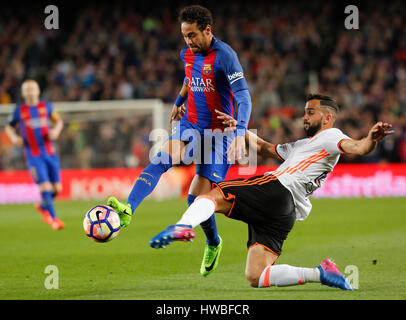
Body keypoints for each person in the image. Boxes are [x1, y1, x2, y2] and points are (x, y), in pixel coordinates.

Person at [150, 94, 394, 290]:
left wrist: (371, 139)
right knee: (256, 276)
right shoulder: (304, 145)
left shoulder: (332, 136)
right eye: (304, 112)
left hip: (277, 189)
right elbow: (265, 148)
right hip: (284, 212)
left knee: (212, 196)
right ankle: (321, 274)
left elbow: (358, 147)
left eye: (311, 112)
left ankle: (182, 226)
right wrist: (239, 129)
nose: (304, 117)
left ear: (328, 118)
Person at [107, 5, 252, 276]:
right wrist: (179, 100)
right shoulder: (187, 53)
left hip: (219, 135)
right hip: (191, 124)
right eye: (184, 35)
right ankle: (128, 209)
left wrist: (241, 131)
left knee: (195, 200)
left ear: (207, 30)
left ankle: (213, 243)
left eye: (193, 35)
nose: (188, 41)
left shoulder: (226, 56)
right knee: (160, 159)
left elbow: (243, 96)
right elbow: (189, 77)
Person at [5, 80, 65, 230]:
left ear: (38, 91)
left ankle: (43, 206)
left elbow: (58, 121)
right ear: (23, 93)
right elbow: (9, 127)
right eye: (27, 89)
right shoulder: (20, 110)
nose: (31, 92)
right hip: (33, 154)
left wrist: (56, 131)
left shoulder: (47, 106)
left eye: (33, 89)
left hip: (50, 153)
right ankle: (54, 219)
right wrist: (13, 137)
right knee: (45, 186)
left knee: (57, 188)